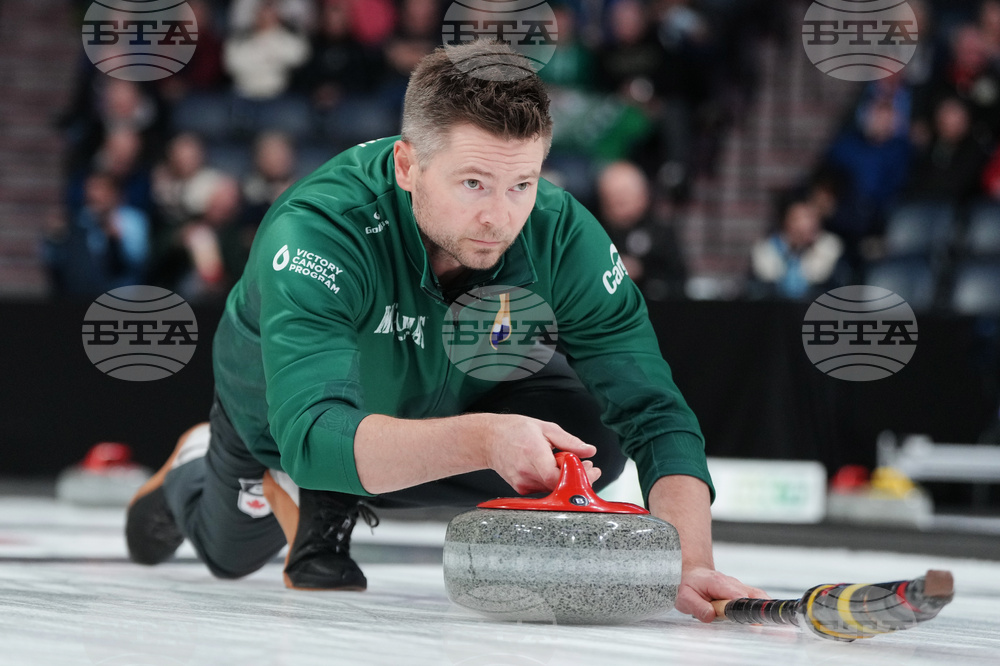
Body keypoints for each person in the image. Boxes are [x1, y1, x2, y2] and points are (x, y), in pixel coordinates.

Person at [125, 42, 765, 623]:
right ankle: (192, 469)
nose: (499, 216)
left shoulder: (557, 230)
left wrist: (687, 560)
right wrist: (486, 439)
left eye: (522, 183)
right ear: (407, 166)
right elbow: (313, 434)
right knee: (230, 551)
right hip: (281, 413)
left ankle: (351, 483)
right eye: (472, 184)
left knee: (591, 440)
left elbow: (652, 408)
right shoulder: (319, 230)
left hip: (441, 379)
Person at [748, 194, 845, 301]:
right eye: (803, 217)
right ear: (787, 221)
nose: (810, 224)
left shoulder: (829, 247)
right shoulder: (766, 250)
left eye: (813, 217)